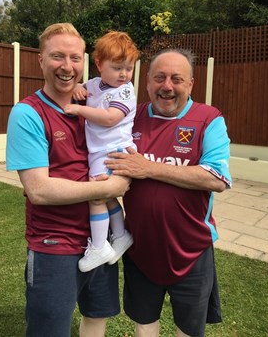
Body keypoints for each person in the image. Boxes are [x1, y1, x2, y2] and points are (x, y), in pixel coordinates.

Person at [6, 23, 130, 337]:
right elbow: (40, 191)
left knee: (96, 319)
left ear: (86, 62)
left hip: (99, 243)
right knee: (50, 330)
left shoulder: (92, 103)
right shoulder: (27, 114)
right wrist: (109, 188)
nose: (67, 66)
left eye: (75, 58)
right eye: (57, 56)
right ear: (41, 60)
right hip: (54, 244)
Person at [105, 48, 232, 337]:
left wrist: (147, 167)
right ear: (147, 82)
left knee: (188, 328)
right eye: (159, 78)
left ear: (191, 84)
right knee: (144, 321)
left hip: (191, 249)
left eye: (177, 79)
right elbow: (95, 114)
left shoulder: (208, 119)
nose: (167, 86)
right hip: (139, 246)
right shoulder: (130, 117)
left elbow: (216, 179)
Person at [64, 31, 139, 272]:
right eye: (117, 68)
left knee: (95, 196)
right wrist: (76, 86)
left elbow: (109, 118)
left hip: (112, 150)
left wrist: (78, 110)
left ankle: (99, 245)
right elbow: (83, 89)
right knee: (106, 197)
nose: (124, 74)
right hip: (99, 151)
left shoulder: (125, 91)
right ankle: (120, 234)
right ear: (99, 65)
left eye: (129, 68)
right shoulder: (95, 85)